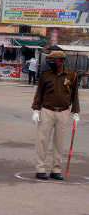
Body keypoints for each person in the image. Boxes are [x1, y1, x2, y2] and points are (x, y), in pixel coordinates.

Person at [32, 50, 80, 180]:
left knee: (59, 142)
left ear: (61, 61)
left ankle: (56, 169)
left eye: (53, 61)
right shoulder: (45, 75)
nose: (50, 63)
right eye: (49, 61)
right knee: (42, 140)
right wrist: (36, 110)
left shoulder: (72, 75)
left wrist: (76, 111)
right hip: (47, 110)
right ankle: (40, 168)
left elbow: (75, 95)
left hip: (64, 111)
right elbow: (39, 93)